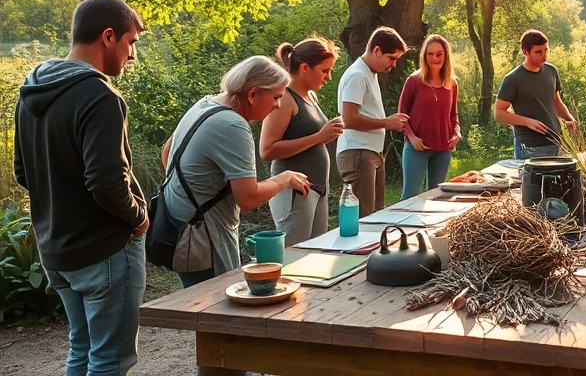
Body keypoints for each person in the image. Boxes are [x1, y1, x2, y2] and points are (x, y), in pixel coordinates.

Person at [14, 0, 148, 376]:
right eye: (131, 43)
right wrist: (139, 217)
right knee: (110, 359)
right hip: (104, 251)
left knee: (83, 349)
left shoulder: (31, 92)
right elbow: (106, 183)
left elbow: (23, 172)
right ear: (108, 36)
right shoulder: (100, 96)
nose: (133, 55)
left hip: (56, 251)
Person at [161, 56, 311, 290]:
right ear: (252, 94)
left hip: (178, 227)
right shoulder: (233, 124)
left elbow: (167, 152)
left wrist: (192, 192)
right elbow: (249, 198)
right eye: (276, 97)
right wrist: (285, 178)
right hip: (204, 236)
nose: (278, 105)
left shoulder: (205, 104)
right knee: (216, 303)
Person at [259, 37, 344, 246]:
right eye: (325, 71)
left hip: (318, 188)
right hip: (295, 192)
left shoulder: (310, 95)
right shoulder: (284, 97)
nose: (329, 77)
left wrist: (328, 135)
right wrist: (319, 137)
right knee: (295, 255)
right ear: (305, 68)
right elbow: (267, 150)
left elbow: (309, 140)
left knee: (316, 253)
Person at [337, 26, 409, 216]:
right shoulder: (357, 75)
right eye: (391, 58)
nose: (394, 65)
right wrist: (386, 123)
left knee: (376, 216)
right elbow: (348, 119)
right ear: (376, 50)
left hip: (370, 152)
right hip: (358, 152)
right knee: (364, 218)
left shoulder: (369, 73)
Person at [495, 29, 577, 159]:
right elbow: (499, 113)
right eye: (538, 52)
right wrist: (527, 122)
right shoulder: (513, 78)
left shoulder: (551, 71)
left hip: (557, 142)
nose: (544, 56)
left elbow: (556, 102)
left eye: (546, 50)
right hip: (529, 146)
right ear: (525, 52)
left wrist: (569, 118)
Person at [399, 35, 461, 200]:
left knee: (437, 197)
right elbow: (401, 115)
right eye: (430, 54)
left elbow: (453, 115)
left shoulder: (452, 83)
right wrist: (412, 138)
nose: (435, 58)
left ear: (446, 55)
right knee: (410, 197)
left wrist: (457, 132)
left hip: (443, 149)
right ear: (424, 56)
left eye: (439, 54)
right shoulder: (413, 81)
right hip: (417, 148)